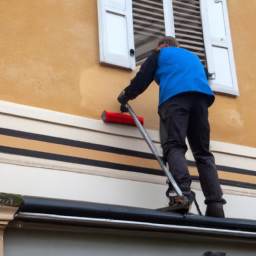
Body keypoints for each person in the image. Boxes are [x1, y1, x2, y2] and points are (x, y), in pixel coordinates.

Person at [117, 36, 226, 217]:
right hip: (201, 101)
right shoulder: (193, 57)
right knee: (203, 153)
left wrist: (125, 97)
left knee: (174, 145)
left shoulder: (160, 54)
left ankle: (180, 195)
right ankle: (215, 205)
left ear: (164, 45)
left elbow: (141, 81)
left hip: (175, 100)